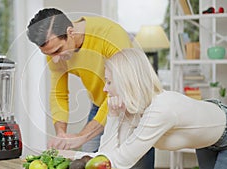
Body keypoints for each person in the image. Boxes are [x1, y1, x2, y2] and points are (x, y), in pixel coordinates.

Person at [27, 8, 155, 168]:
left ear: (70, 32)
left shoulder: (110, 36)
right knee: (88, 162)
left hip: (134, 105)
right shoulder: (54, 52)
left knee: (131, 163)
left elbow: (122, 91)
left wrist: (81, 136)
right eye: (49, 54)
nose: (55, 60)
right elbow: (58, 93)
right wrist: (61, 133)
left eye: (58, 50)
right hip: (100, 104)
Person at [59, 48, 227, 169]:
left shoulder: (160, 109)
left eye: (109, 82)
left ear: (126, 81)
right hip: (206, 141)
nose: (105, 89)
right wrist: (112, 115)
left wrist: (70, 155)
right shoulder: (132, 110)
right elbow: (108, 156)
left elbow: (121, 161)